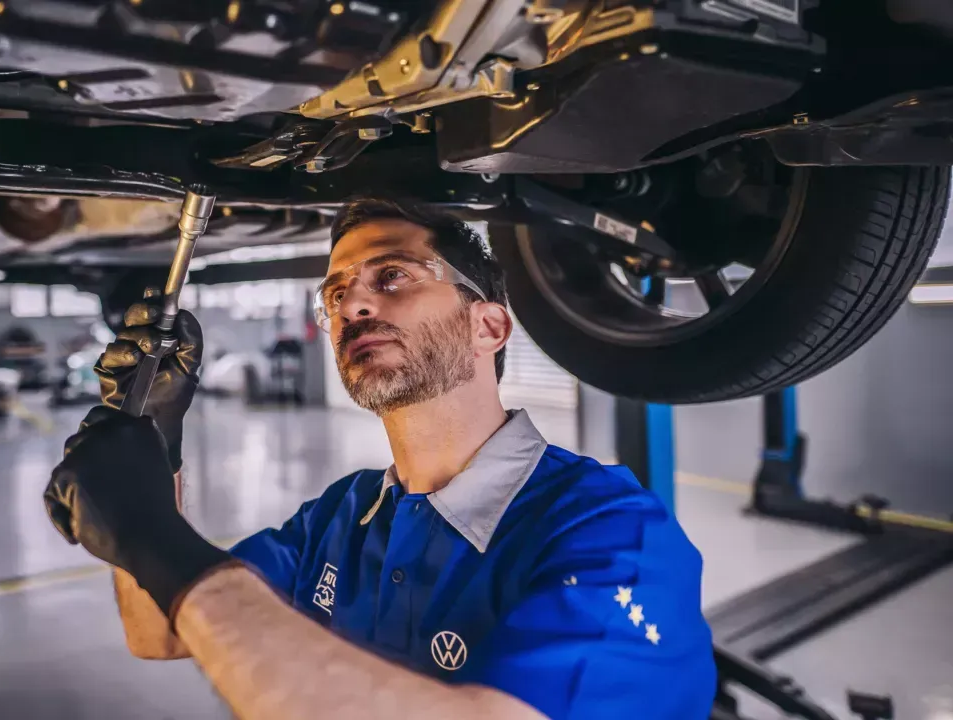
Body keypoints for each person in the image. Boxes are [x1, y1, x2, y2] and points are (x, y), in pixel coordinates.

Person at [44, 197, 717, 719]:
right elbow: (158, 633)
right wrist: (156, 439)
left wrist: (150, 534)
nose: (353, 304)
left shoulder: (612, 531)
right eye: (336, 293)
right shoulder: (343, 515)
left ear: (487, 326)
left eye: (392, 275)